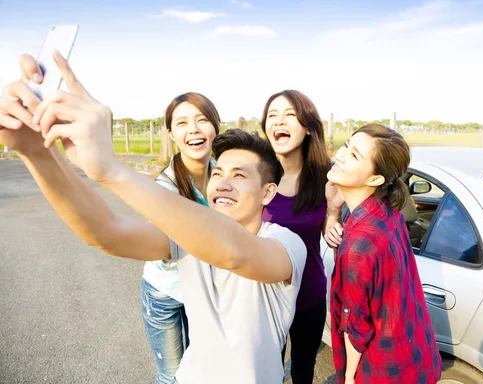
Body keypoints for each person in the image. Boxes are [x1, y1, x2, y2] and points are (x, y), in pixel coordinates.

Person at [0, 52, 306, 384]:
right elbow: (107, 232)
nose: (223, 183)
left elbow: (234, 252)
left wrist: (113, 170)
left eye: (240, 176)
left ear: (268, 193)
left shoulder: (286, 244)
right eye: (218, 173)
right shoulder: (189, 237)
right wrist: (35, 151)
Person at [325, 124, 442, 384]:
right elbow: (362, 283)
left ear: (375, 179)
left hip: (382, 369)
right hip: (417, 359)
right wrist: (334, 207)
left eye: (354, 155)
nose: (341, 155)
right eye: (346, 145)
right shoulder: (388, 215)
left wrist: (349, 376)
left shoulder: (360, 241)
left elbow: (355, 325)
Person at [260, 90, 341, 383]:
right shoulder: (255, 174)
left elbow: (333, 222)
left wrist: (333, 214)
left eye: (290, 115)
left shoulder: (326, 175)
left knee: (303, 367)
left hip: (309, 293)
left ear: (307, 127)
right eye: (272, 115)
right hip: (265, 295)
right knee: (268, 367)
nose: (279, 121)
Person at [141, 92, 220, 384]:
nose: (194, 129)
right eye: (183, 123)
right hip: (165, 294)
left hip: (205, 291)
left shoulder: (224, 174)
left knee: (204, 371)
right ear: (172, 133)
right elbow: (166, 248)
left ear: (215, 126)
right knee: (172, 375)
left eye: (202, 120)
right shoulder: (164, 187)